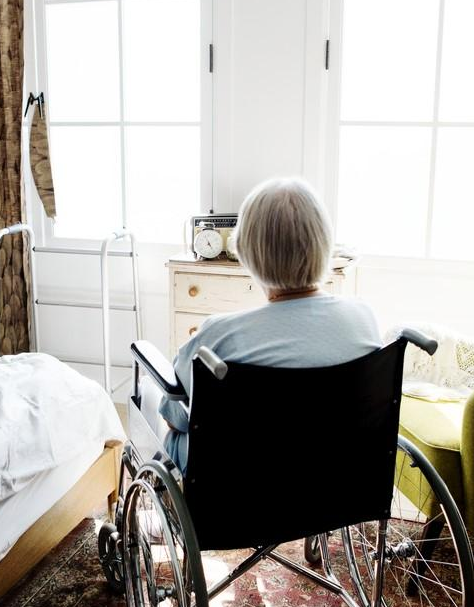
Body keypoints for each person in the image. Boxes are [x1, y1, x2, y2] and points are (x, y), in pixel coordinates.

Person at [145, 177, 382, 473]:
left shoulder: (217, 337)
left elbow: (176, 416)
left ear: (245, 251)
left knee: (159, 409)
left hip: (241, 480)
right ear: (325, 245)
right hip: (335, 474)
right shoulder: (363, 319)